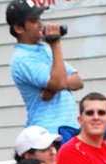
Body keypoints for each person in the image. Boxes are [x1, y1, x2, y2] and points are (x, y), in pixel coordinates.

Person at [7, 0, 83, 133]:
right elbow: (58, 82)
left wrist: (53, 89)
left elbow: (78, 81)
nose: (40, 25)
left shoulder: (44, 49)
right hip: (48, 134)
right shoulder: (22, 59)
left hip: (70, 127)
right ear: (18, 28)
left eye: (39, 19)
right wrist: (55, 44)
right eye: (33, 21)